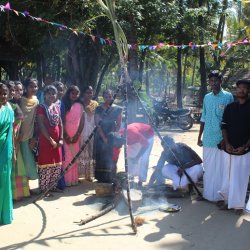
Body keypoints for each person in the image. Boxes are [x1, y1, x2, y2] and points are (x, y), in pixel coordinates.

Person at [197, 70, 233, 202]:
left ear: (220, 81)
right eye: (211, 81)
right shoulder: (207, 97)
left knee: (221, 169)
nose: (213, 83)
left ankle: (220, 197)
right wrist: (199, 136)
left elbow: (231, 119)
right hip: (208, 139)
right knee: (209, 168)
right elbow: (203, 118)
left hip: (222, 139)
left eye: (216, 80)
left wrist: (227, 139)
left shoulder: (228, 97)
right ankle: (207, 195)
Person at [218, 79, 250, 213]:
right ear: (235, 90)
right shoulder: (230, 107)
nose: (241, 90)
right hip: (229, 149)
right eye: (239, 88)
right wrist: (227, 143)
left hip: (245, 150)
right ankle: (228, 201)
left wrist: (245, 146)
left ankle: (238, 205)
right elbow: (224, 126)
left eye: (244, 88)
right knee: (228, 177)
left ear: (249, 91)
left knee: (240, 178)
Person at [36, 85, 63, 195]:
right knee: (45, 164)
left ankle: (53, 186)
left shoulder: (57, 107)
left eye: (54, 93)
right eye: (49, 93)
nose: (52, 95)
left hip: (57, 140)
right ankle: (44, 189)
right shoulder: (41, 107)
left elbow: (60, 123)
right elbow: (41, 124)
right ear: (45, 95)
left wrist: (61, 139)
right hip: (46, 140)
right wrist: (50, 140)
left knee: (57, 164)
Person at [6, 82, 30, 200]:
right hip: (11, 141)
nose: (14, 92)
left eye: (16, 90)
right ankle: (12, 195)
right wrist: (15, 142)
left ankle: (17, 194)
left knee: (18, 168)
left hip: (17, 140)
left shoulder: (16, 104)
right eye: (12, 90)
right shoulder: (8, 106)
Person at [94, 89, 122, 183]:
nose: (108, 99)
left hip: (112, 136)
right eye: (106, 97)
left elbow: (119, 124)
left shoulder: (117, 109)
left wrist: (114, 136)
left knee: (112, 156)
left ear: (113, 96)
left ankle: (112, 177)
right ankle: (101, 178)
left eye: (110, 96)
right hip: (101, 135)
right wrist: (104, 138)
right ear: (103, 97)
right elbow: (97, 124)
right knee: (101, 156)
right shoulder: (99, 108)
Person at [62, 85, 84, 186]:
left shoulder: (80, 105)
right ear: (68, 93)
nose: (75, 95)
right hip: (66, 135)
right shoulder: (64, 104)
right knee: (67, 157)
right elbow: (61, 121)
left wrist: (77, 134)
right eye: (73, 93)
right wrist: (65, 135)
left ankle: (73, 180)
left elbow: (82, 121)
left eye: (76, 93)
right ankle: (66, 180)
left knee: (75, 158)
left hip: (76, 136)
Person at [19, 78, 39, 191]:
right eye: (31, 86)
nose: (33, 89)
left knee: (30, 162)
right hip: (20, 136)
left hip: (31, 136)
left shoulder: (36, 101)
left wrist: (35, 138)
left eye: (35, 86)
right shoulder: (20, 101)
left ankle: (29, 188)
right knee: (22, 162)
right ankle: (24, 189)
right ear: (26, 87)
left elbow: (37, 120)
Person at [120, 123, 154, 187]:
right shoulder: (121, 134)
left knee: (144, 159)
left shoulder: (133, 134)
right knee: (129, 156)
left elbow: (146, 145)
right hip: (136, 139)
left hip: (148, 137)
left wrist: (137, 157)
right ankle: (130, 178)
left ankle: (141, 181)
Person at [0, 83, 14, 224]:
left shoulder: (9, 111)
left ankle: (4, 215)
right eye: (0, 93)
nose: (3, 96)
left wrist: (13, 152)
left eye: (4, 93)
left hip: (5, 153)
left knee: (4, 182)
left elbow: (11, 134)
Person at [78, 86, 98, 181]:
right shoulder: (80, 104)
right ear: (83, 93)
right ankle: (79, 174)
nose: (89, 94)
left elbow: (97, 118)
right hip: (82, 131)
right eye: (87, 92)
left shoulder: (95, 104)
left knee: (90, 153)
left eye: (91, 92)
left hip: (92, 131)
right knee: (82, 152)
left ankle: (88, 175)